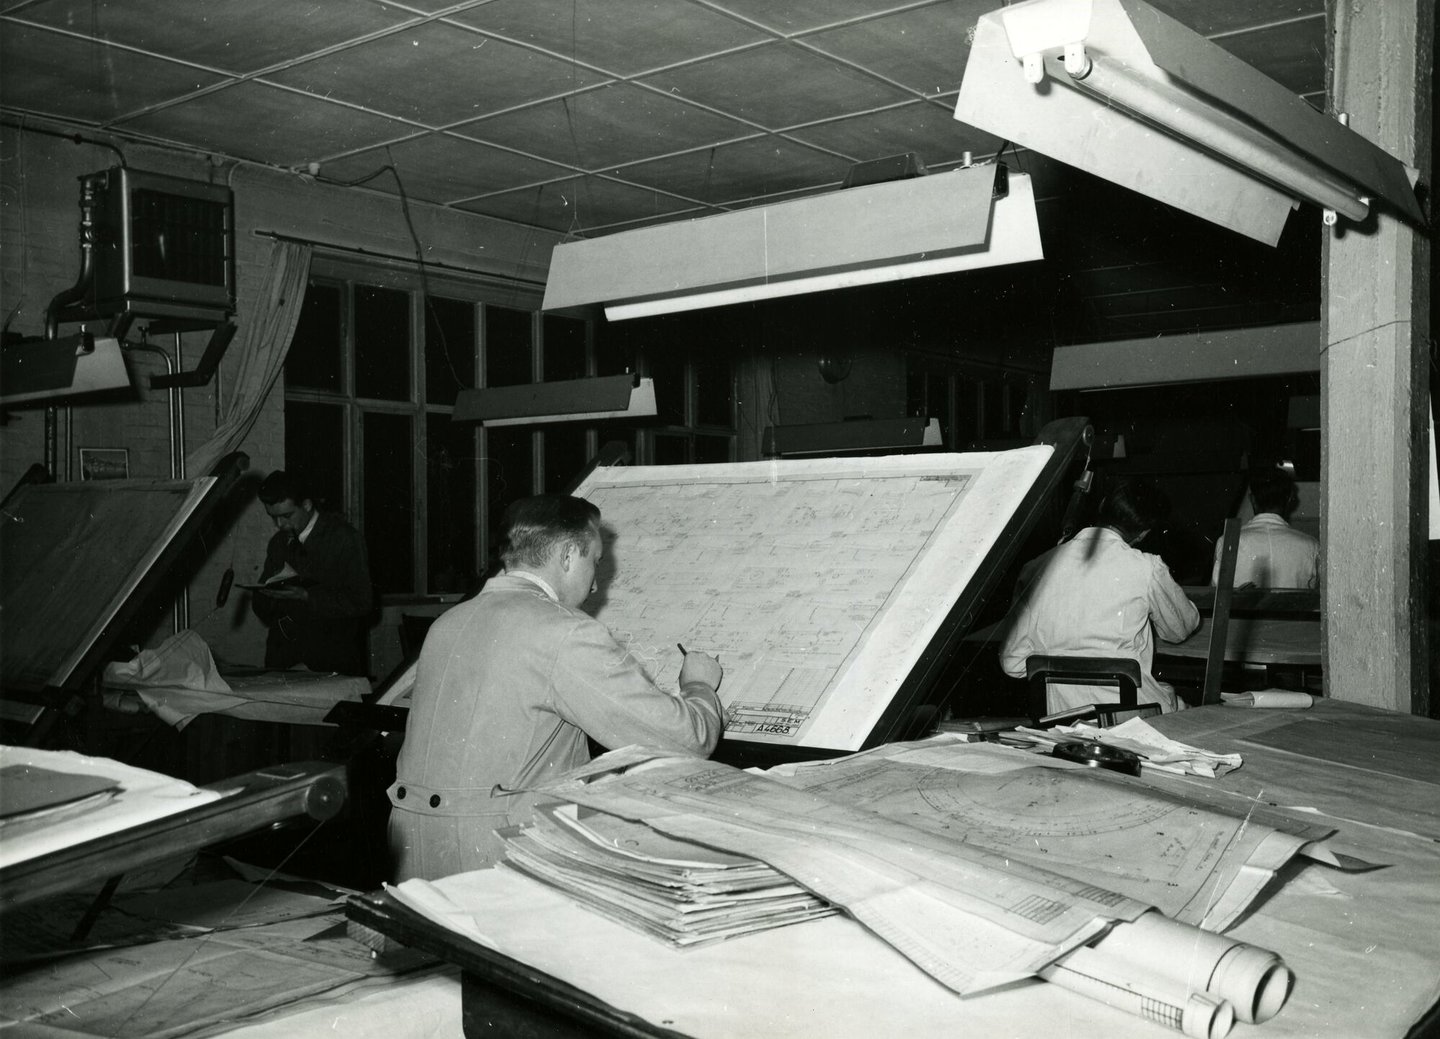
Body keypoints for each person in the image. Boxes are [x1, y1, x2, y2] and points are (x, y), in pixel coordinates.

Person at [387, 493, 724, 882]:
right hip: (498, 852)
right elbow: (685, 740)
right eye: (594, 561)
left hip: (411, 849)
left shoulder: (448, 622)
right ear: (567, 556)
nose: (595, 586)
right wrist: (699, 685)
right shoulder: (564, 631)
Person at [999, 479, 1200, 715]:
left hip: (1061, 718)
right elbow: (1179, 630)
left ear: (1102, 506)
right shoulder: (1147, 567)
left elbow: (1012, 662)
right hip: (1133, 716)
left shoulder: (1035, 567)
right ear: (1144, 533)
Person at [250, 470, 373, 676]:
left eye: (286, 516)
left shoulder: (344, 538)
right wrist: (265, 594)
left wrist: (307, 595)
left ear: (307, 505)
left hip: (330, 661)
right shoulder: (278, 543)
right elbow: (263, 610)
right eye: (273, 517)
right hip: (282, 660)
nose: (280, 525)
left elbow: (362, 602)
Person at [1214, 468, 1319, 589]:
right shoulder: (1311, 546)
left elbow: (1216, 592)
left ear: (1252, 499)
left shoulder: (1228, 542)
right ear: (1289, 499)